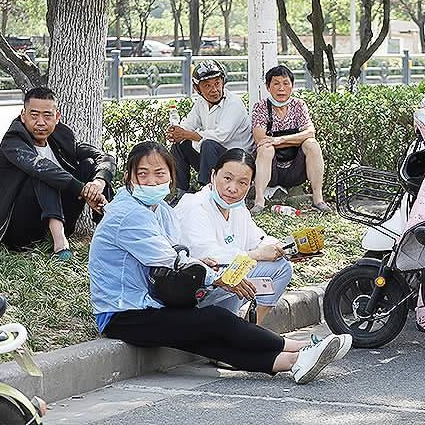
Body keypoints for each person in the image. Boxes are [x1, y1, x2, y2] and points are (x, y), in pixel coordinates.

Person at [88, 141, 350, 383]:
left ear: (171, 176)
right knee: (214, 321)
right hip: (124, 314)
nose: (151, 181)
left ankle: (293, 362)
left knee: (208, 338)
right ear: (128, 177)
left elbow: (181, 252)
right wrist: (220, 278)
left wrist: (204, 263)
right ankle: (303, 349)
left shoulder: (162, 210)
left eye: (159, 173)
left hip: (154, 302)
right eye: (142, 174)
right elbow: (169, 259)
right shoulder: (129, 214)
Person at [0, 87, 115, 261]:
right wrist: (82, 190)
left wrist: (98, 183)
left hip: (52, 220)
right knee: (43, 171)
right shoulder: (13, 140)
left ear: (57, 117)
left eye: (47, 115)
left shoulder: (61, 137)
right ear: (23, 115)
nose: (41, 122)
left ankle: (108, 231)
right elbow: (39, 167)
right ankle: (60, 243)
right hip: (13, 228)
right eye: (34, 115)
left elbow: (104, 157)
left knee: (89, 165)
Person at [175, 149, 294, 324]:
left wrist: (282, 247)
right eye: (227, 178)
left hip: (228, 283)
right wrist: (258, 255)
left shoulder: (237, 208)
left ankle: (250, 330)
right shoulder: (194, 205)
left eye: (242, 182)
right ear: (213, 175)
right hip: (198, 288)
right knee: (232, 273)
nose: (233, 188)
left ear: (250, 185)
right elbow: (209, 257)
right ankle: (237, 333)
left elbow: (258, 239)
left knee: (282, 267)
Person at [249, 65, 330, 214]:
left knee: (312, 144)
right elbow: (260, 138)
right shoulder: (260, 107)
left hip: (295, 169)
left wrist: (280, 140)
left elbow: (310, 132)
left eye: (286, 83)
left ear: (292, 86)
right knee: (265, 148)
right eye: (276, 83)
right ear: (268, 87)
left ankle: (318, 199)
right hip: (272, 170)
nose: (281, 88)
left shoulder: (299, 105)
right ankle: (259, 202)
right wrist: (295, 139)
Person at [168, 60, 253, 196]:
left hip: (238, 160)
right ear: (197, 89)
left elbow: (221, 136)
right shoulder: (201, 103)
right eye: (207, 86)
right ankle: (181, 191)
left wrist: (187, 134)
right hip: (214, 158)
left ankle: (207, 193)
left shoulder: (234, 103)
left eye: (217, 84)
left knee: (208, 144)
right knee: (180, 145)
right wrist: (176, 133)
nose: (214, 90)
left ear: (223, 82)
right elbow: (187, 125)